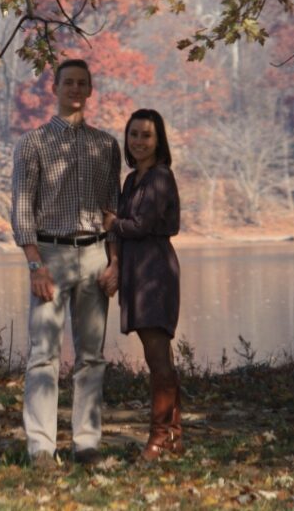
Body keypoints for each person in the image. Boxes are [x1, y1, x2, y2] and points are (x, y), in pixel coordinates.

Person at [11, 58, 121, 469]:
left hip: (95, 256)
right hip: (51, 255)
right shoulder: (33, 144)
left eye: (82, 83)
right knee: (44, 354)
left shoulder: (106, 145)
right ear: (54, 89)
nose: (75, 89)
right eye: (68, 83)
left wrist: (115, 262)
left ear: (90, 91)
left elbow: (112, 209)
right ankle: (41, 448)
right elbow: (22, 209)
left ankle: (86, 445)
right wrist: (35, 265)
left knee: (92, 356)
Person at [101, 109, 183, 461]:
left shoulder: (160, 177)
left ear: (158, 140)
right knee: (157, 357)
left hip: (155, 272)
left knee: (157, 357)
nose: (138, 141)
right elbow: (127, 226)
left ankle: (159, 437)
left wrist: (112, 223)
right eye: (134, 134)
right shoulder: (133, 179)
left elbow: (140, 225)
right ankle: (174, 437)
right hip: (137, 269)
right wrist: (116, 260)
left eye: (146, 135)